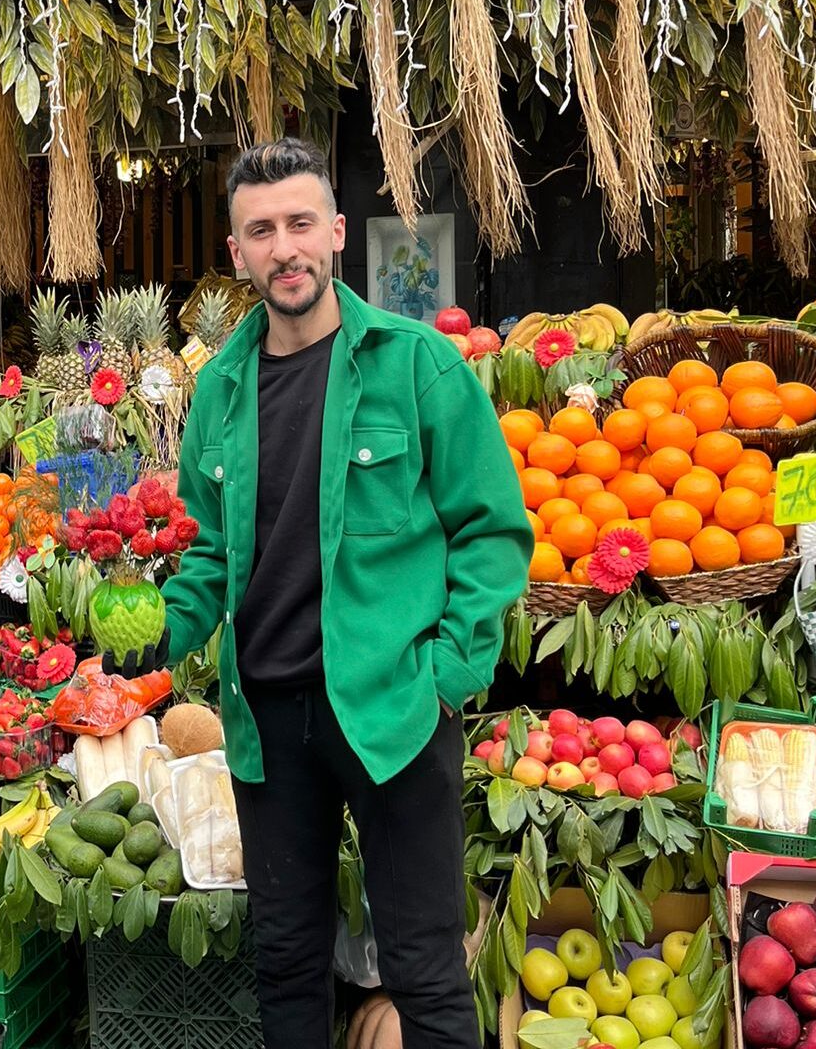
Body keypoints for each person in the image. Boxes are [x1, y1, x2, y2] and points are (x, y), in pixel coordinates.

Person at [140, 138, 532, 1046]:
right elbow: (207, 550)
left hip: (392, 707)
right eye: (262, 230)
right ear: (237, 253)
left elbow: (493, 527)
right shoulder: (222, 390)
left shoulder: (415, 366)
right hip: (268, 719)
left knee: (426, 966)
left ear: (338, 233)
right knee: (285, 960)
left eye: (301, 223)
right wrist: (150, 635)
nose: (286, 248)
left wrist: (449, 671)